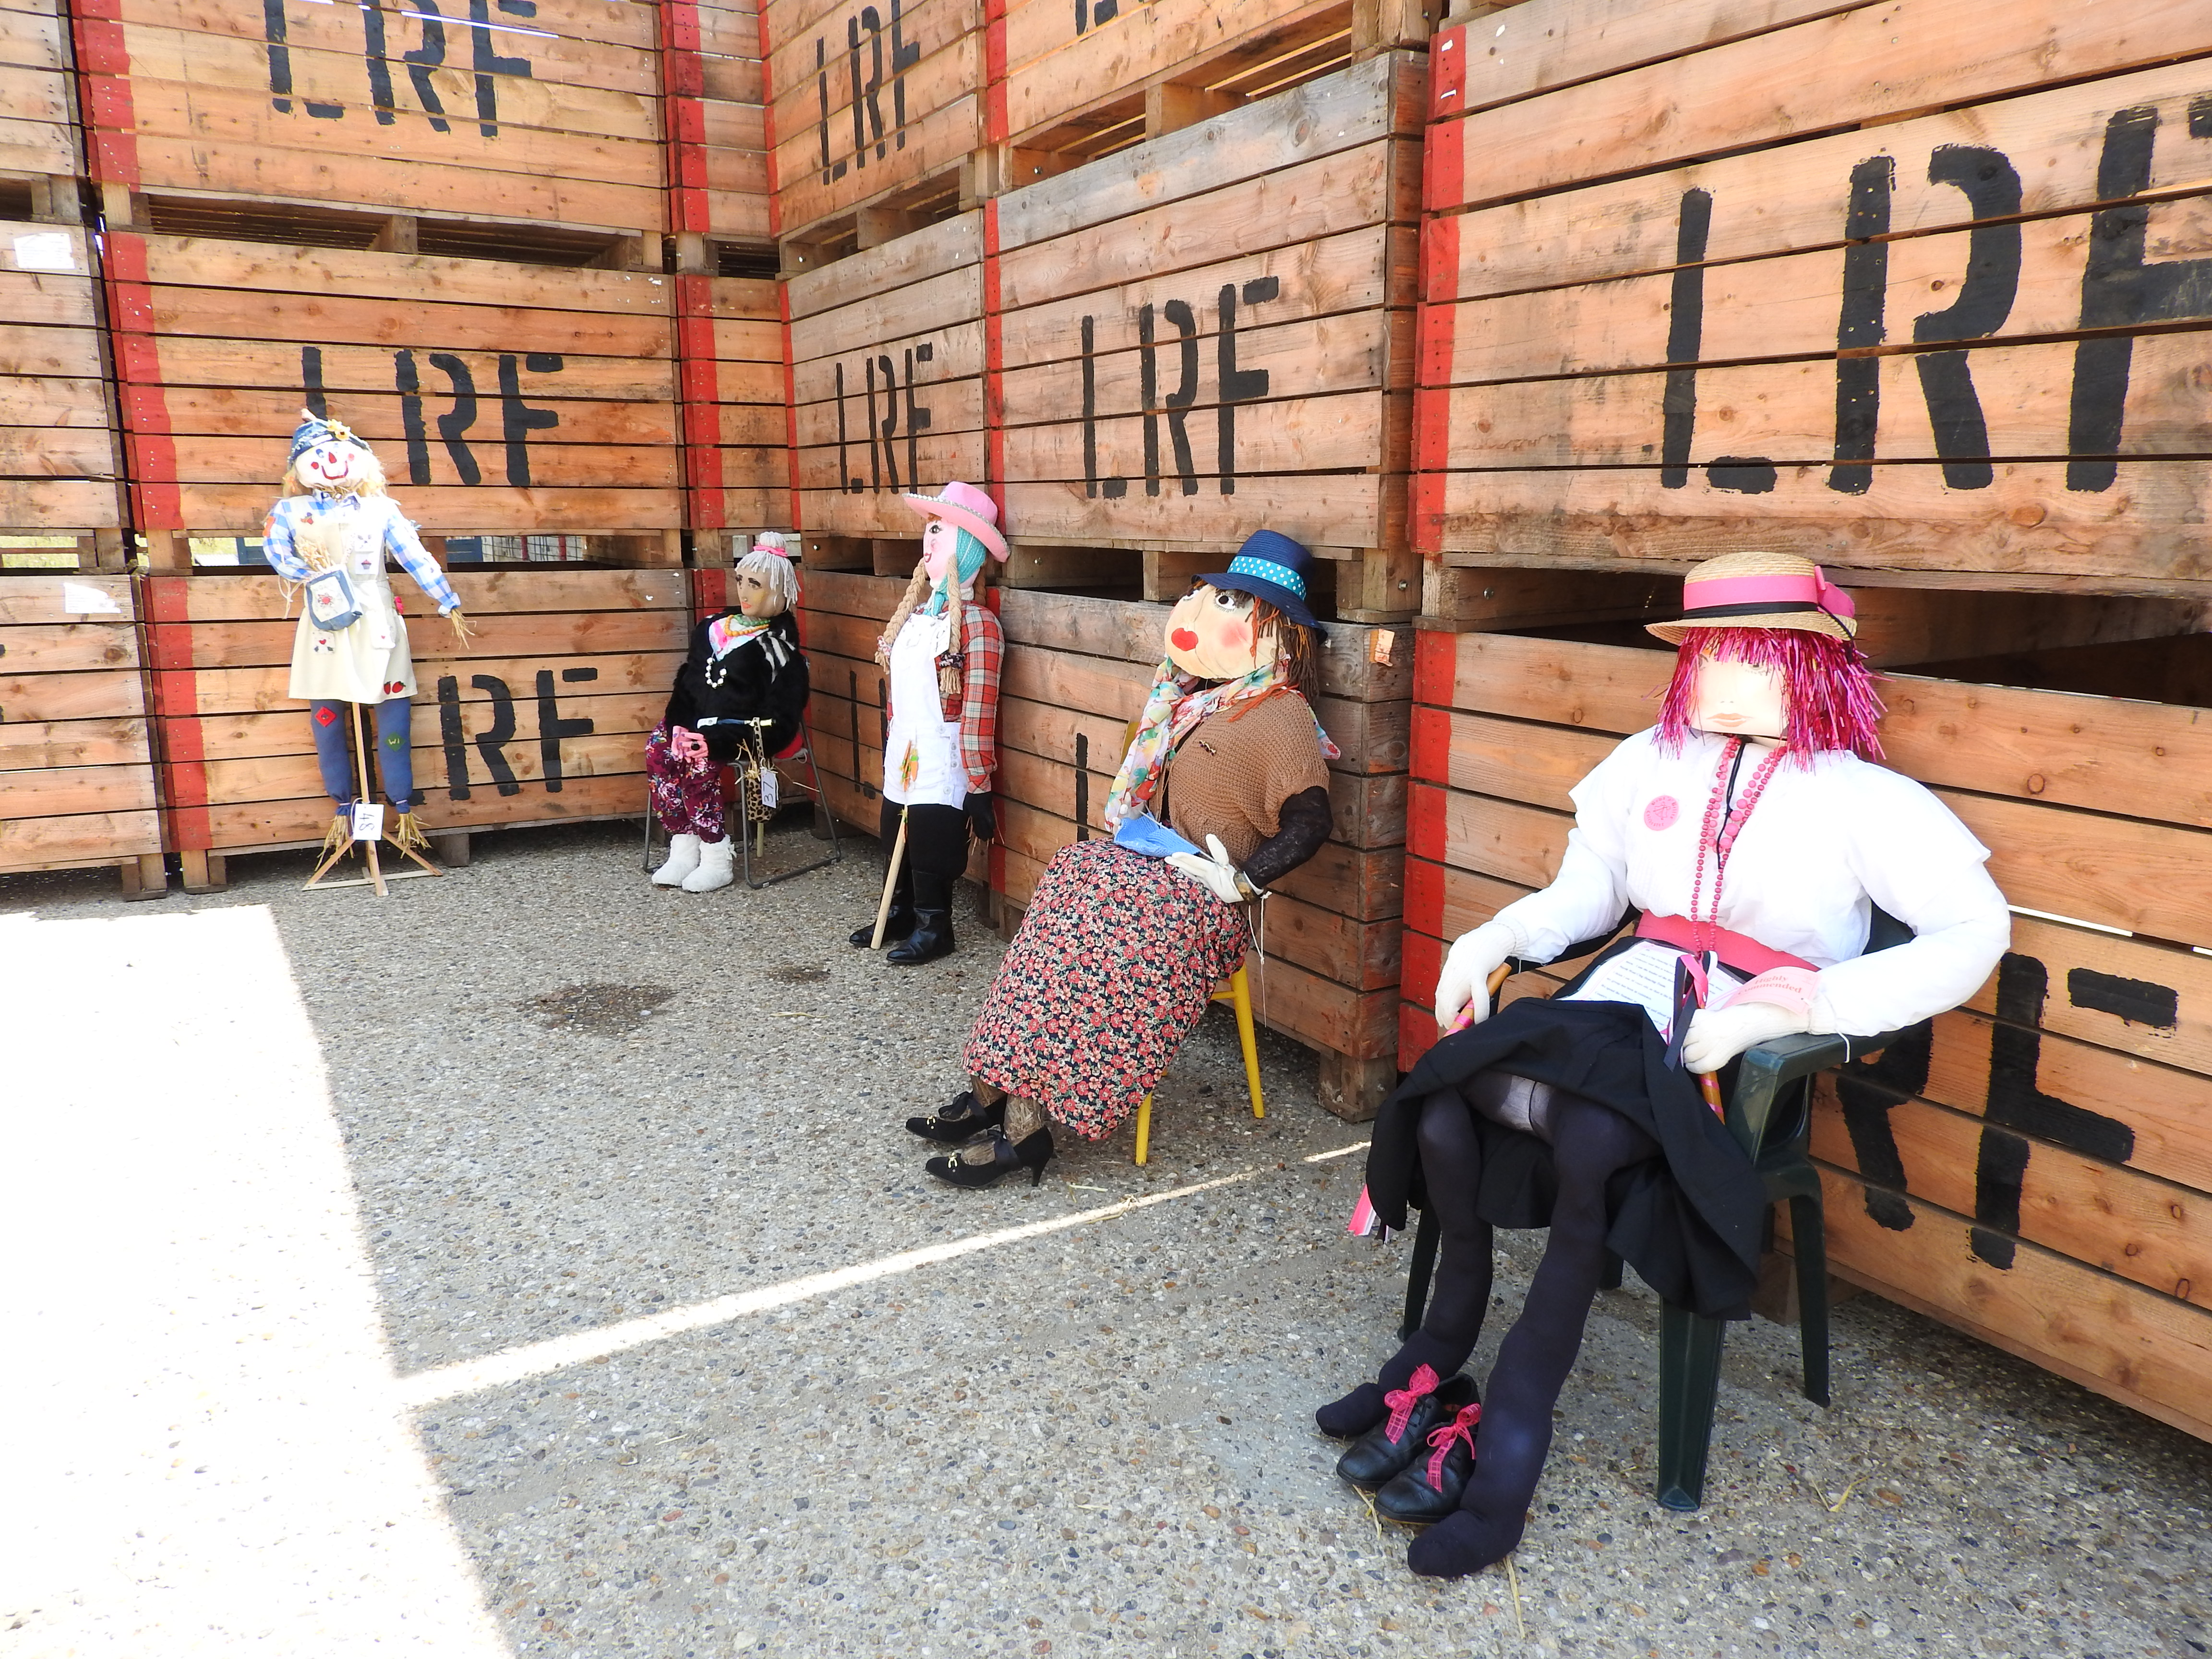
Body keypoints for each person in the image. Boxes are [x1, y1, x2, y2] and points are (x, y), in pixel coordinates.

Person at [1326, 549, 2011, 1578]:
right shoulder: (1650, 758)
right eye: (1711, 653)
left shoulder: (1862, 797)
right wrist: (1498, 936)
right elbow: (1590, 894)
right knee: (1442, 1102)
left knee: (1593, 1134)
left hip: (1732, 1038)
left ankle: (1506, 1445)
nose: (1729, 677)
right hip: (1621, 998)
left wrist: (1812, 1004)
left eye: (1758, 655)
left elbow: (1973, 929)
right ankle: (1432, 1359)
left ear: (1813, 666)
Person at [908, 529, 1339, 1188]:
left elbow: (1312, 822)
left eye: (1232, 605)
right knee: (1069, 890)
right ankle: (992, 1088)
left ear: (1280, 634)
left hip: (1205, 900)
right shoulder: (1201, 701)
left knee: (1100, 938)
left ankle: (1026, 1125)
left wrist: (1242, 882)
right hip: (1154, 869)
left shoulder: (1282, 718)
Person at [261, 410, 470, 857]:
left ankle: (401, 805)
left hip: (376, 617)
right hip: (326, 617)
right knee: (327, 714)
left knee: (393, 712)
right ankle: (345, 808)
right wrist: (313, 575)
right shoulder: (290, 512)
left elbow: (413, 555)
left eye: (339, 455)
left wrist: (444, 597)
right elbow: (278, 554)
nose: (331, 464)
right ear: (299, 468)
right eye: (318, 457)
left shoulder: (381, 509)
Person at [847, 482, 1008, 966]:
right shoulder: (916, 618)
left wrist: (979, 782)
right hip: (905, 749)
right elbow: (898, 693)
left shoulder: (978, 626)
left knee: (933, 837)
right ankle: (898, 911)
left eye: (940, 531)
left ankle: (935, 925)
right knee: (893, 825)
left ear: (966, 548)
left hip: (943, 753)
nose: (928, 539)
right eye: (929, 529)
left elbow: (979, 708)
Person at [649, 536, 809, 894]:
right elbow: (688, 681)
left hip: (736, 732)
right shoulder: (712, 628)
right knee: (659, 750)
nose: (744, 592)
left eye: (756, 584)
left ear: (780, 591)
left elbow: (781, 721)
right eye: (741, 581)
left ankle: (716, 857)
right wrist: (678, 726)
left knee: (698, 764)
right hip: (693, 722)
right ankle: (684, 846)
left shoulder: (781, 651)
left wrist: (718, 740)